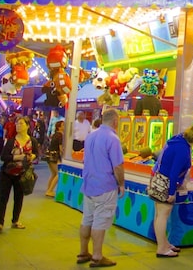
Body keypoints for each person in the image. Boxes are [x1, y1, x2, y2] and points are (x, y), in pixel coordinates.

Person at [77, 108, 124, 267]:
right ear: (115, 121)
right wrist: (121, 184)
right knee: (100, 222)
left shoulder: (91, 136)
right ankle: (97, 256)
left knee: (87, 219)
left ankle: (83, 252)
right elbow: (118, 166)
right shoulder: (113, 139)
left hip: (89, 185)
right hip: (105, 186)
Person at [151, 125, 193, 258]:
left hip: (158, 179)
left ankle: (165, 243)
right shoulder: (183, 151)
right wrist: (171, 192)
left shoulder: (177, 139)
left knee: (158, 214)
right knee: (163, 215)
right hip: (166, 183)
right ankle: (161, 248)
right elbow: (174, 172)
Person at [0, 116, 38, 234]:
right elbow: (3, 157)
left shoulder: (32, 141)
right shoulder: (11, 141)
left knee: (19, 198)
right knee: (3, 198)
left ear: (27, 126)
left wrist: (32, 157)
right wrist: (18, 157)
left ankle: (15, 220)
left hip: (22, 174)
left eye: (21, 124)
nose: (18, 126)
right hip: (7, 173)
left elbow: (36, 154)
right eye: (17, 124)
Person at [44, 120, 64, 198]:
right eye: (63, 125)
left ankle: (49, 189)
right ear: (59, 127)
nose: (64, 126)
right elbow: (61, 148)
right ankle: (50, 190)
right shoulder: (60, 135)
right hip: (54, 156)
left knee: (53, 173)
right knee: (58, 174)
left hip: (49, 154)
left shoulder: (55, 134)